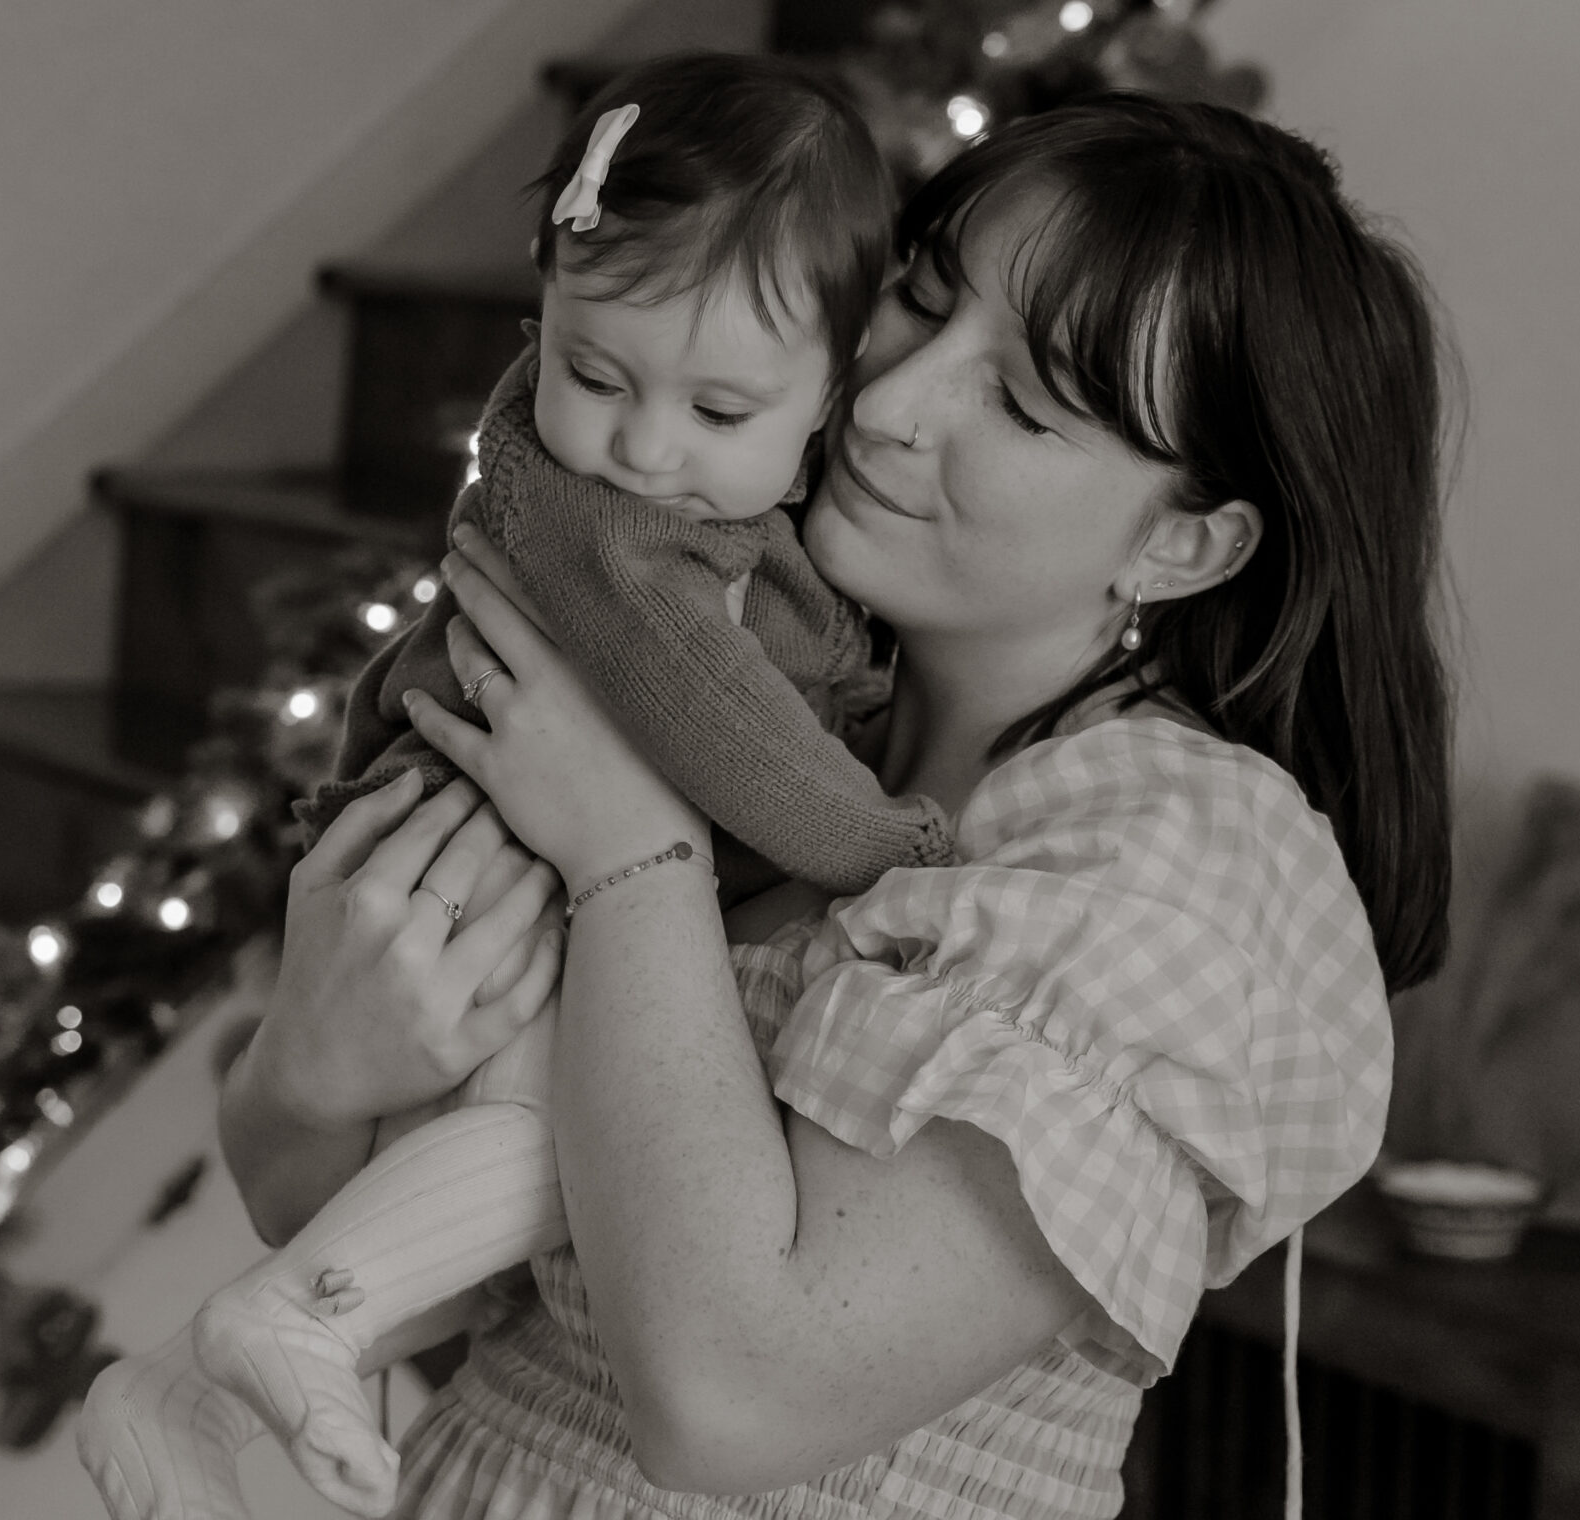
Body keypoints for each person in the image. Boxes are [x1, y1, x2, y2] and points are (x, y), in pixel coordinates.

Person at [101, 90, 1454, 1520]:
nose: (887, 402)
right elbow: (412, 1282)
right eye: (918, 306)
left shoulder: (1171, 857)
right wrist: (307, 1071)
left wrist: (631, 850)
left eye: (1021, 401)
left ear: (1186, 540)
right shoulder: (774, 725)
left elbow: (731, 1404)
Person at [81, 53, 958, 1520]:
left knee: (538, 1217)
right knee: (576, 1151)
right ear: (543, 316)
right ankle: (286, 1325)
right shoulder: (627, 547)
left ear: (836, 396)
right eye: (591, 372)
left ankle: (199, 1371)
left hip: (491, 867)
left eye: (722, 410)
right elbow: (734, 743)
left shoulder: (694, 505)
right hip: (481, 865)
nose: (643, 443)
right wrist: (895, 846)